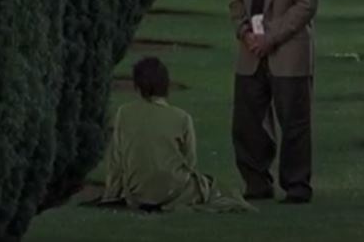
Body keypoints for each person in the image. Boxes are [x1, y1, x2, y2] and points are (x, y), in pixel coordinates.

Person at [228, 0, 319, 204]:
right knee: (247, 123)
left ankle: (297, 186)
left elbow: (305, 6)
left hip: (288, 51)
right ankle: (256, 183)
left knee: (294, 122)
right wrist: (244, 32)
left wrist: (270, 37)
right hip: (250, 50)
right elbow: (236, 0)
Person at [95, 57, 255, 213]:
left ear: (137, 86)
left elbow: (116, 161)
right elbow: (190, 162)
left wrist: (111, 195)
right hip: (174, 190)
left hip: (137, 192)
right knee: (217, 189)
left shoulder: (124, 113)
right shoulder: (182, 118)